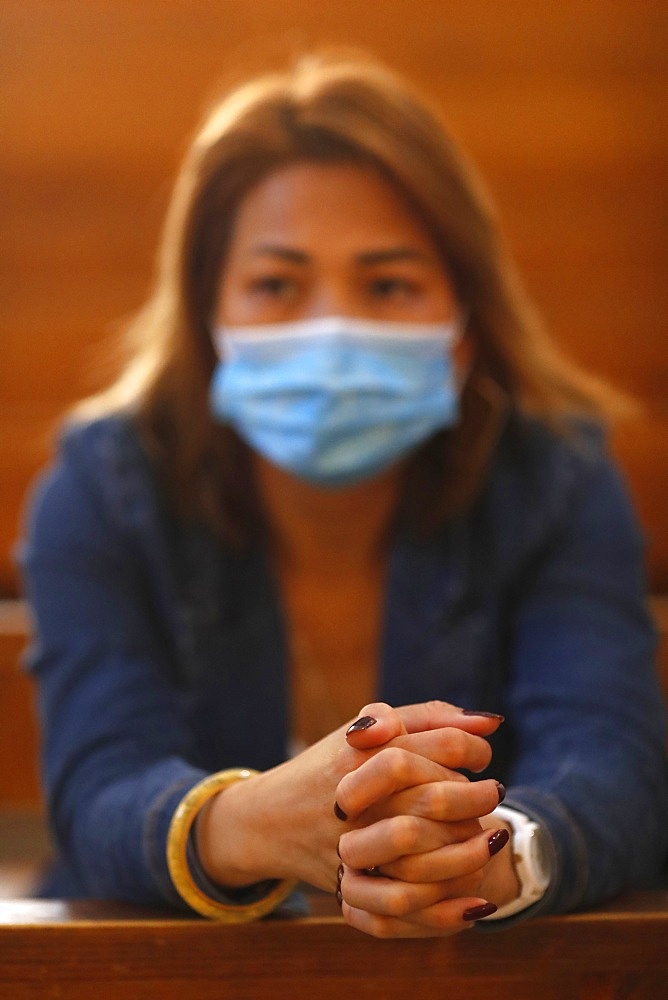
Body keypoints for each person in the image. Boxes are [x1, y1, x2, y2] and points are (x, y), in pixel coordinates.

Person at [19, 52, 667, 939]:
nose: (330, 326)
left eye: (388, 284)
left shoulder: (555, 482)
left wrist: (488, 856)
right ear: (211, 320)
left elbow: (613, 759)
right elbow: (98, 785)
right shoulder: (100, 492)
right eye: (277, 284)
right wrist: (249, 826)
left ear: (464, 328)